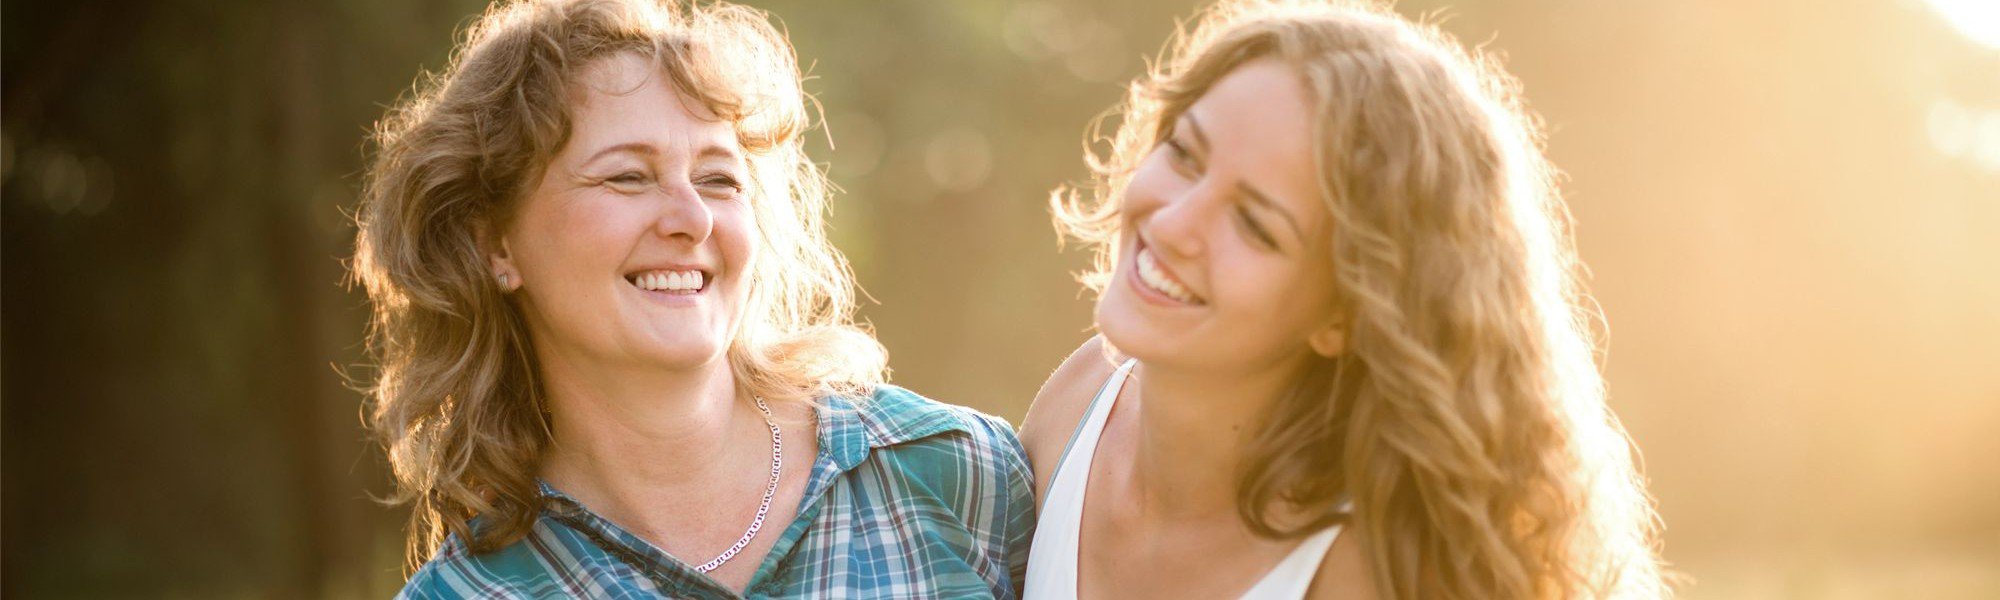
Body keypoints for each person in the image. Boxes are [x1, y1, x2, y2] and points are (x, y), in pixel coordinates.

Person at [350, 0, 1033, 597]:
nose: (693, 219)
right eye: (627, 176)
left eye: (718, 180)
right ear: (496, 245)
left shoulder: (958, 474)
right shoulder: (468, 594)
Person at [1019, 0, 1667, 598]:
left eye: (1255, 224)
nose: (1171, 223)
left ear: (1345, 314)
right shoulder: (1079, 399)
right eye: (1185, 154)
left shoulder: (1372, 573)